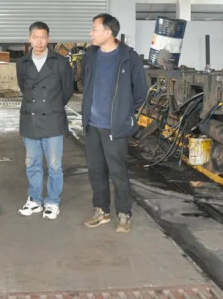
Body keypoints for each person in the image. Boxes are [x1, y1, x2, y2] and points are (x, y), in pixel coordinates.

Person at [81, 13, 147, 234]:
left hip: (115, 126)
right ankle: (101, 210)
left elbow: (140, 91)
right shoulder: (90, 55)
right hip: (92, 124)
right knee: (96, 170)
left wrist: (123, 113)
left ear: (108, 32)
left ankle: (124, 213)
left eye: (94, 29)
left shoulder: (129, 57)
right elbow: (85, 83)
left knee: (118, 171)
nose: (91, 33)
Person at [16, 22, 73, 220]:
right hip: (30, 119)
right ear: (29, 38)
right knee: (32, 163)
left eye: (43, 37)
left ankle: (52, 201)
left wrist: (52, 105)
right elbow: (23, 88)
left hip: (53, 119)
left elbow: (67, 91)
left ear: (48, 39)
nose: (39, 42)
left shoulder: (60, 62)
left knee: (54, 165)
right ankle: (34, 199)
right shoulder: (22, 63)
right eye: (35, 37)